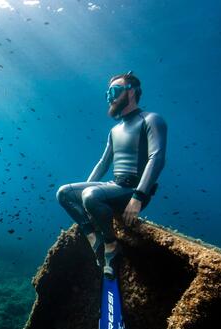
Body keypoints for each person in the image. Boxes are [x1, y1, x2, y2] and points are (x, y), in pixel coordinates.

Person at [56, 71, 167, 279]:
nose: (110, 97)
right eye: (108, 93)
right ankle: (94, 240)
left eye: (114, 91)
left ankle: (110, 246)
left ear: (131, 92)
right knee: (64, 193)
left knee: (91, 195)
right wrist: (81, 199)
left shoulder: (151, 120)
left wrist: (138, 197)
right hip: (114, 186)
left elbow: (157, 157)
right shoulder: (114, 130)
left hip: (133, 192)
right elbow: (103, 163)